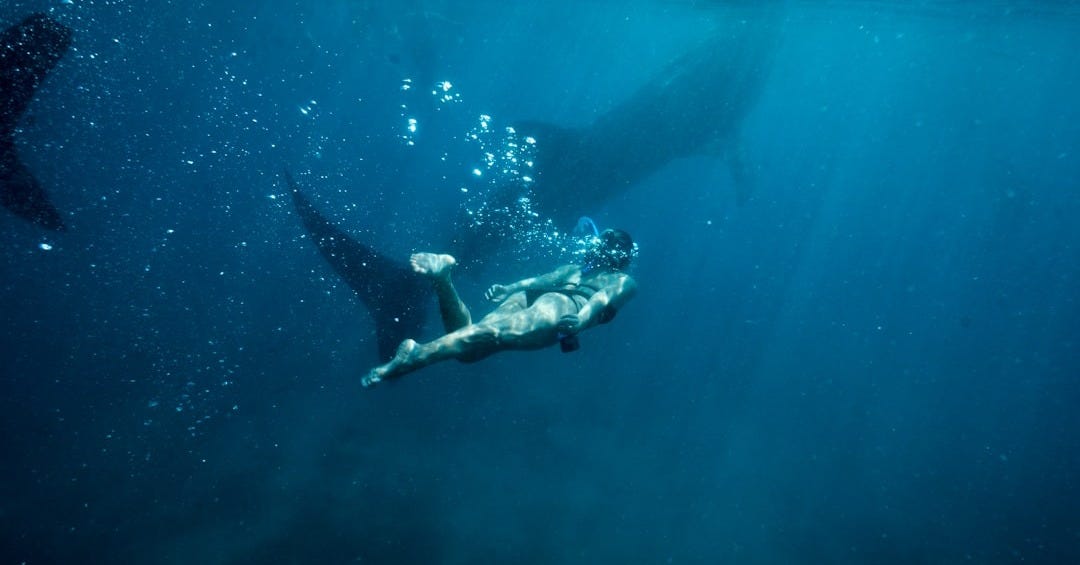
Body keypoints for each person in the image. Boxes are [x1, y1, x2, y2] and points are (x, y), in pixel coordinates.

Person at [362, 228, 638, 386]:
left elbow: (540, 280)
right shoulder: (624, 279)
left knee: (471, 348)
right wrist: (580, 319)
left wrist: (511, 289)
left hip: (534, 297)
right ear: (625, 257)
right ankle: (416, 356)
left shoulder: (575, 269)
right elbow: (600, 299)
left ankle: (443, 279)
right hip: (563, 307)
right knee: (490, 335)